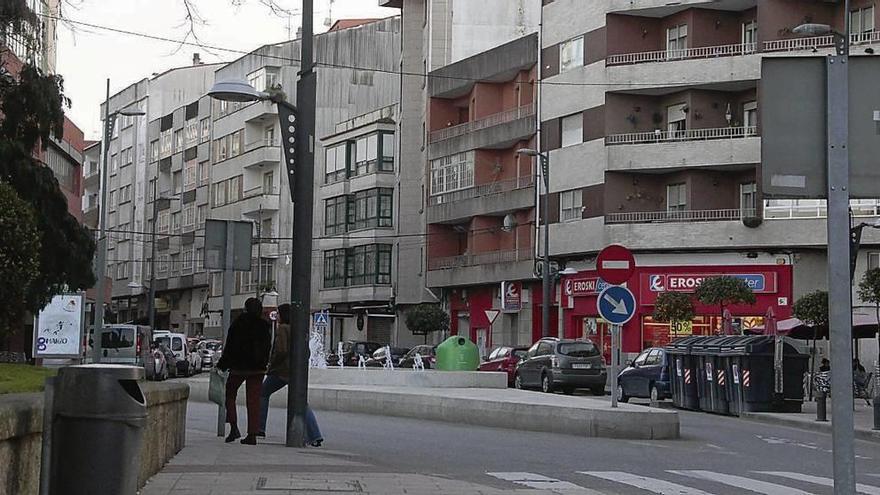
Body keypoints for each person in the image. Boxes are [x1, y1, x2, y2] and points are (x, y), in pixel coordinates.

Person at [258, 303, 324, 447]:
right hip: (296, 371)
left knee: (262, 393)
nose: (278, 317)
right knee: (301, 402)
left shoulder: (283, 328)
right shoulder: (299, 329)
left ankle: (259, 428)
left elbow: (280, 350)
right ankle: (315, 435)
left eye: (279, 314)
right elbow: (307, 352)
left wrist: (272, 365)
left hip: (282, 371)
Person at [216, 297, 272, 445]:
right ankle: (252, 434)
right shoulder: (264, 325)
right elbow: (267, 348)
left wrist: (222, 364)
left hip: (239, 367)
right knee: (253, 401)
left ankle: (234, 427)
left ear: (245, 308)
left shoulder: (238, 324)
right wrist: (264, 363)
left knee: (230, 394)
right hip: (258, 369)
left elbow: (230, 347)